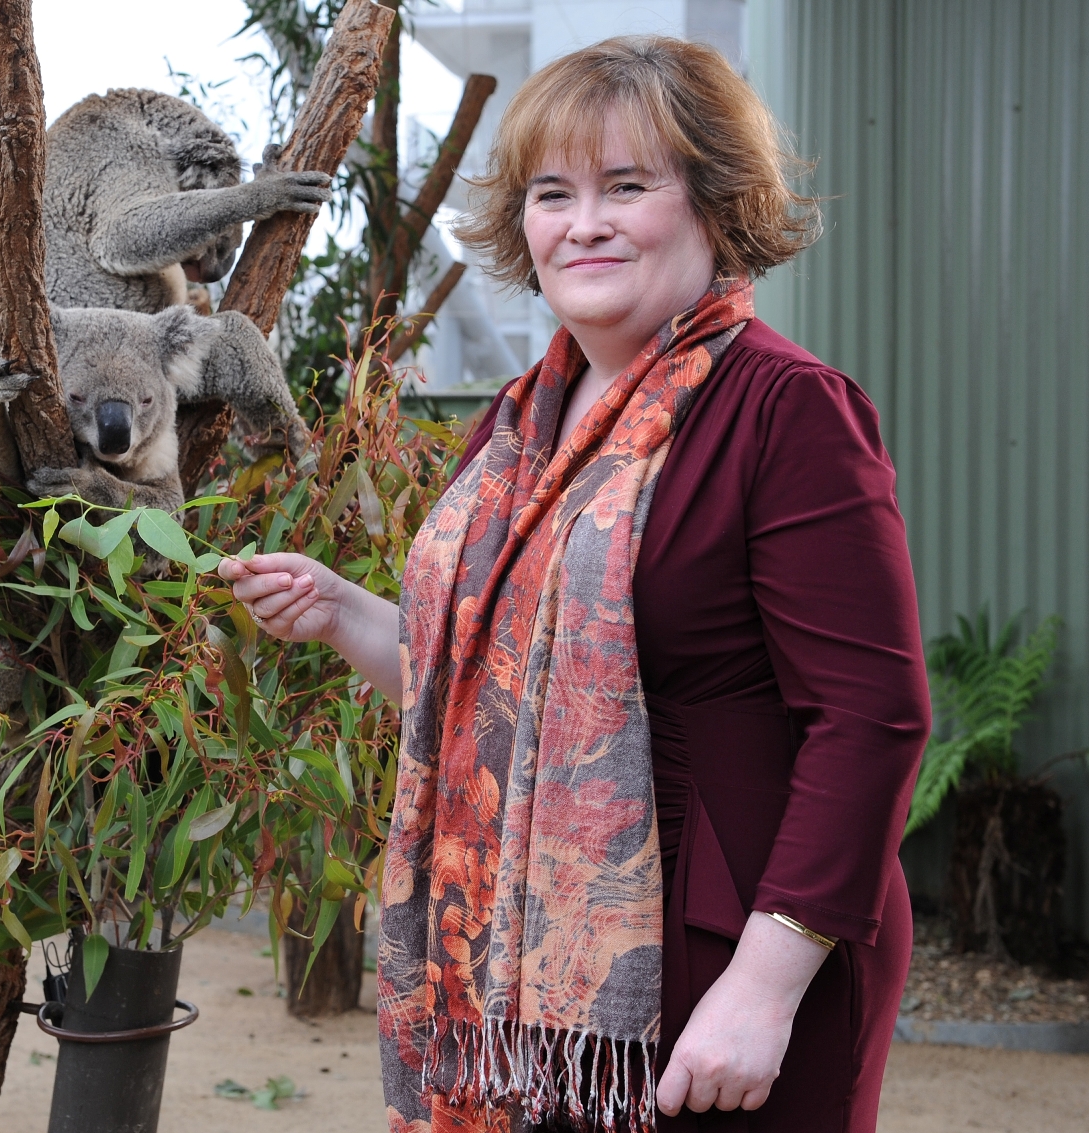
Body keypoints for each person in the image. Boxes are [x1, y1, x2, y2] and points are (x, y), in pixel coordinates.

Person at [219, 36, 929, 1133]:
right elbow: (474, 690)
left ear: (713, 205)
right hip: (524, 951)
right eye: (553, 193)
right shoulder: (510, 431)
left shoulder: (784, 410)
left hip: (726, 940)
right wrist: (341, 613)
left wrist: (762, 983)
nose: (582, 221)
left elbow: (870, 717)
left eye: (626, 186)